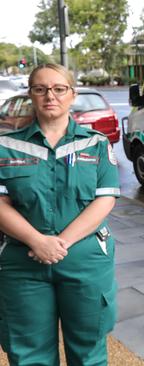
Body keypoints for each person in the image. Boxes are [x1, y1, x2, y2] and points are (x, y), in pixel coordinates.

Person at [0, 64, 120, 365]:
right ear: (31, 95)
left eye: (58, 88)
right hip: (23, 264)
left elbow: (104, 201)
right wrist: (37, 241)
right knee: (28, 356)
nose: (49, 96)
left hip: (85, 262)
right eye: (40, 89)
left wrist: (58, 243)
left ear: (72, 94)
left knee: (88, 353)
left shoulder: (96, 143)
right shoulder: (6, 147)